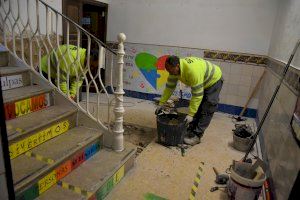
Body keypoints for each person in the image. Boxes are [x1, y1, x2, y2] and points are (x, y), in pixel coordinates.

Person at [156, 56, 223, 145]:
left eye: (171, 70)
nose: (170, 73)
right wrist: (161, 103)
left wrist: (191, 114)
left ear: (177, 66)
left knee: (208, 107)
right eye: (168, 71)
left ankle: (197, 135)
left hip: (214, 80)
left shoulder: (192, 71)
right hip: (203, 79)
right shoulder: (173, 71)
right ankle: (191, 129)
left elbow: (197, 95)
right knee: (198, 107)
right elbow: (169, 88)